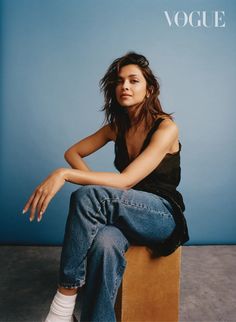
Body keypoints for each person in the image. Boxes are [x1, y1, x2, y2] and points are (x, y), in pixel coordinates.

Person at [22, 52, 189, 322]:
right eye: (120, 81)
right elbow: (73, 151)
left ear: (149, 90)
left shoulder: (166, 127)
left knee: (90, 196)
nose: (125, 86)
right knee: (104, 242)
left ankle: (62, 305)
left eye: (134, 81)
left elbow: (125, 182)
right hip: (125, 213)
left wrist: (65, 175)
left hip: (162, 217)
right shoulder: (117, 128)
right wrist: (94, 189)